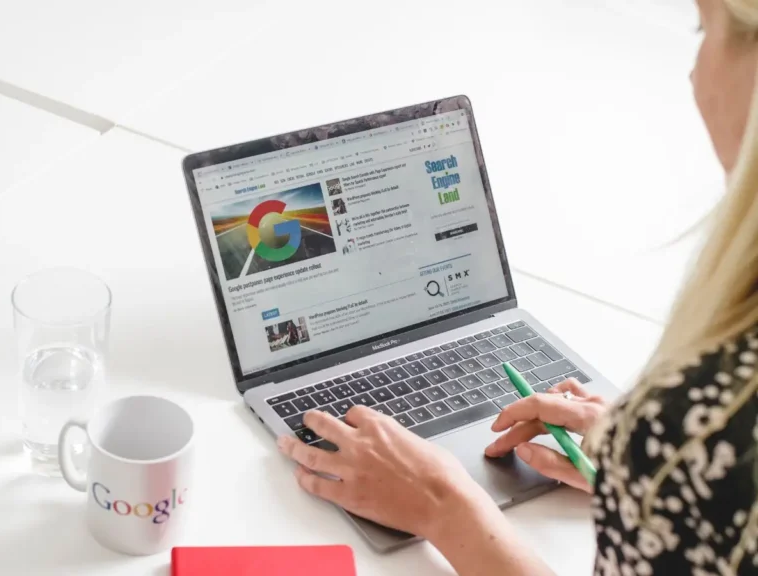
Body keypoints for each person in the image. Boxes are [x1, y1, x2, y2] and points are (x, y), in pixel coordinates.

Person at [276, 1, 758, 573]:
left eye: (705, 28)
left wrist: (447, 509)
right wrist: (646, 475)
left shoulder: (710, 421)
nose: (691, 71)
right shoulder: (706, 435)